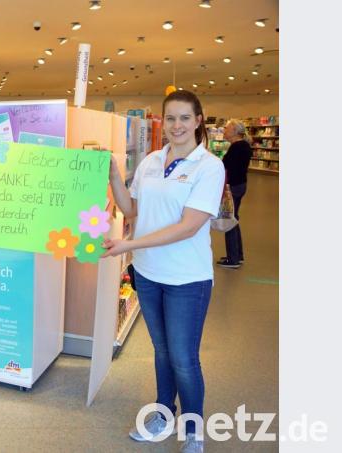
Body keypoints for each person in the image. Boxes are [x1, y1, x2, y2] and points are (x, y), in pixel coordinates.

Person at [102, 90, 225, 453]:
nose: (177, 125)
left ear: (198, 121)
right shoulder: (152, 161)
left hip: (187, 279)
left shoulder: (208, 167)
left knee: (184, 358)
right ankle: (163, 413)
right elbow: (132, 210)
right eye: (170, 118)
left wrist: (129, 245)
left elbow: (188, 227)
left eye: (185, 118)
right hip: (148, 273)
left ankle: (194, 430)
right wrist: (114, 176)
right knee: (162, 351)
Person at [216, 119, 252, 269]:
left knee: (229, 220)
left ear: (234, 132)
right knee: (234, 219)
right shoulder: (242, 146)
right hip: (239, 185)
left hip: (233, 187)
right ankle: (238, 255)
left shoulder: (237, 147)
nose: (224, 131)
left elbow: (227, 167)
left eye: (227, 128)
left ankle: (233, 259)